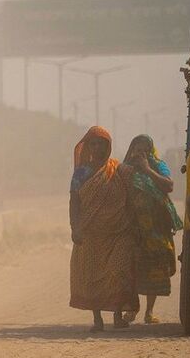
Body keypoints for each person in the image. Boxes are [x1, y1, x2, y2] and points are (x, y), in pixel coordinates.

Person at [69, 126, 140, 332]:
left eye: (102, 143)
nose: (98, 147)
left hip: (119, 232)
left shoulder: (118, 169)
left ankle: (118, 316)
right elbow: (74, 201)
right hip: (90, 233)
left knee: (118, 272)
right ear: (88, 146)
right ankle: (97, 319)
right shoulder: (81, 173)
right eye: (94, 143)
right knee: (91, 275)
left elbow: (133, 194)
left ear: (108, 146)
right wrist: (75, 227)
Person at [121, 135, 182, 325]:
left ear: (150, 150)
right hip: (132, 227)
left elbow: (169, 185)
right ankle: (132, 310)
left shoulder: (159, 166)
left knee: (154, 268)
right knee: (131, 269)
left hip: (156, 229)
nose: (141, 152)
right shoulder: (124, 169)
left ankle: (149, 311)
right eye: (137, 148)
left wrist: (147, 169)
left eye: (145, 149)